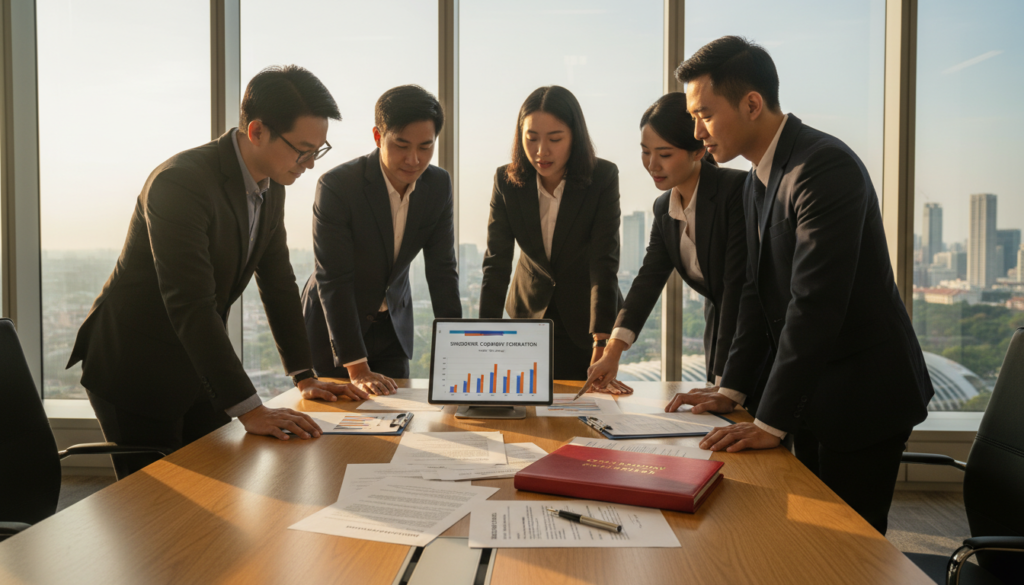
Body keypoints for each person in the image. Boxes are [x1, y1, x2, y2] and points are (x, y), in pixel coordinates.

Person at [666, 36, 933, 535]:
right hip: (814, 394)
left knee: (850, 549)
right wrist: (732, 388)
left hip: (862, 397)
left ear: (751, 104)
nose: (696, 130)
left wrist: (769, 422)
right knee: (804, 536)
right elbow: (753, 292)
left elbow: (813, 304)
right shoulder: (756, 180)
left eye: (704, 114)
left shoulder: (821, 167)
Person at [67, 65, 369, 479]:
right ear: (257, 131)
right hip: (136, 367)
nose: (311, 164)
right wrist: (251, 409)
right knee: (154, 512)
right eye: (302, 150)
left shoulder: (271, 185)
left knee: (224, 485)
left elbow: (278, 281)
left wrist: (304, 375)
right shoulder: (180, 183)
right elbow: (191, 304)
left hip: (196, 367)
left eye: (319, 150)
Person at [300, 85, 460, 393]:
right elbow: (334, 279)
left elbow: (443, 270)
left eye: (426, 147)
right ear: (377, 136)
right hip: (335, 329)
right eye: (402, 145)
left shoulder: (438, 184)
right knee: (339, 430)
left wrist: (457, 352)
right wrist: (357, 368)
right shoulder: (338, 186)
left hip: (392, 328)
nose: (414, 159)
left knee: (399, 417)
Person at [586, 93, 748, 395]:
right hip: (720, 339)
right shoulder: (664, 208)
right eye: (645, 152)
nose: (652, 164)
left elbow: (738, 288)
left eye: (665, 154)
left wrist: (728, 385)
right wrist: (612, 351)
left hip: (754, 343)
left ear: (698, 150)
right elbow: (647, 281)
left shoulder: (735, 191)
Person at [479, 86, 623, 382]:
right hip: (527, 317)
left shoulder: (602, 178)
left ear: (575, 137)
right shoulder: (506, 181)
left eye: (555, 139)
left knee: (583, 412)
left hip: (586, 322)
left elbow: (604, 262)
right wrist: (485, 337)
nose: (541, 151)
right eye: (531, 138)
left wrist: (602, 340)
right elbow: (496, 262)